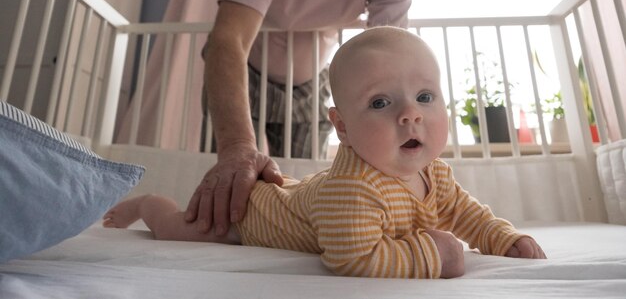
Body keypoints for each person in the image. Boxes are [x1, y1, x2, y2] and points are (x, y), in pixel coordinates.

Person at [104, 27, 546, 279]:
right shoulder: (354, 189)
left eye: (426, 96)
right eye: (380, 103)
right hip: (252, 216)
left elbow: (466, 213)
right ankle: (148, 204)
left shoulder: (436, 175)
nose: (411, 115)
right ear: (342, 128)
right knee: (181, 229)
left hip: (300, 199)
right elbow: (351, 258)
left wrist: (503, 238)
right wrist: (433, 254)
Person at [189, 0, 414, 237]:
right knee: (231, 174)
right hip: (242, 70)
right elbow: (229, 38)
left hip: (310, 80)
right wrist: (236, 148)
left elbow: (389, 69)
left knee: (303, 181)